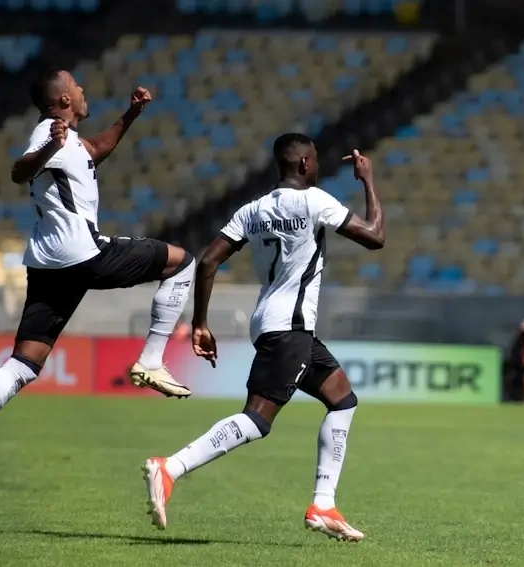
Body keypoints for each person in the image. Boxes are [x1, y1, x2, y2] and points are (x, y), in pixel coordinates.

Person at [0, 69, 196, 497]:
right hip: (83, 252)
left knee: (25, 361)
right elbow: (20, 171)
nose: (83, 89)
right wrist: (47, 149)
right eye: (76, 86)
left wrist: (130, 115)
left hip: (47, 263)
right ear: (63, 100)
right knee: (183, 262)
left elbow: (96, 149)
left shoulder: (71, 140)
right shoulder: (50, 134)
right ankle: (150, 359)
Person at [141, 134, 385, 542]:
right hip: (289, 328)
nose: (319, 168)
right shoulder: (315, 201)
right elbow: (375, 236)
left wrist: (200, 322)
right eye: (317, 162)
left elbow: (209, 259)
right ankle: (170, 468)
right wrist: (367, 181)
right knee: (257, 419)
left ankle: (323, 505)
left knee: (342, 399)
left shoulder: (252, 211)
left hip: (277, 324)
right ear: (305, 164)